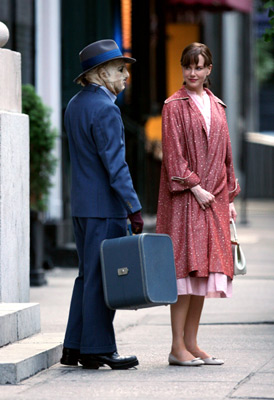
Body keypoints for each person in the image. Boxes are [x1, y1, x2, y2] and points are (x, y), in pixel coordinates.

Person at [60, 39, 144, 370]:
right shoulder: (106, 108)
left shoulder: (75, 104)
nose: (125, 75)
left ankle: (74, 347)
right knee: (102, 278)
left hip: (82, 206)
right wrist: (134, 208)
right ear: (101, 73)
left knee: (87, 276)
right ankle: (97, 349)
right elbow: (116, 165)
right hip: (104, 207)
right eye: (120, 69)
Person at [156, 42, 240, 367]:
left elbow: (227, 156)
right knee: (183, 274)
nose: (192, 72)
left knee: (201, 275)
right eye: (187, 66)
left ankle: (191, 342)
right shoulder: (173, 106)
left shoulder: (218, 106)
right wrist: (195, 186)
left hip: (214, 201)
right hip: (186, 202)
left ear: (209, 70)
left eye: (199, 66)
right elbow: (173, 158)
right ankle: (177, 346)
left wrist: (228, 197)